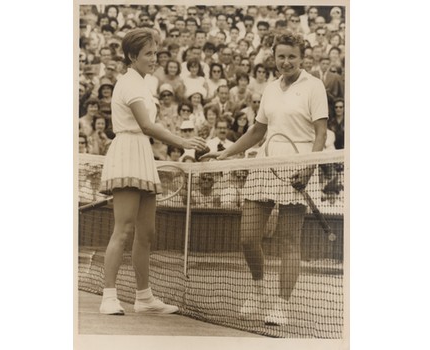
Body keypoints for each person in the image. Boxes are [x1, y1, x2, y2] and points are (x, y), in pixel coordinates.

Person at [201, 32, 328, 325]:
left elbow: (321, 132)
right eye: (280, 56)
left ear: (302, 57)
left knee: (288, 240)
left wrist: (308, 168)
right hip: (266, 163)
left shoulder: (314, 86)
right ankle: (259, 292)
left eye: (292, 56)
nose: (286, 62)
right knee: (248, 237)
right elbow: (257, 131)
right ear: (273, 57)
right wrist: (225, 154)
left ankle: (281, 306)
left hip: (300, 165)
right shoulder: (270, 88)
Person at [98, 28, 206, 316]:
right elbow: (146, 125)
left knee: (146, 233)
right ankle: (109, 296)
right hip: (127, 152)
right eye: (148, 53)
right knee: (123, 230)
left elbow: (147, 129)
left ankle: (144, 297)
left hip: (142, 154)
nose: (154, 58)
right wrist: (183, 141)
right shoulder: (130, 83)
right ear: (132, 56)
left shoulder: (144, 84)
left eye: (155, 53)